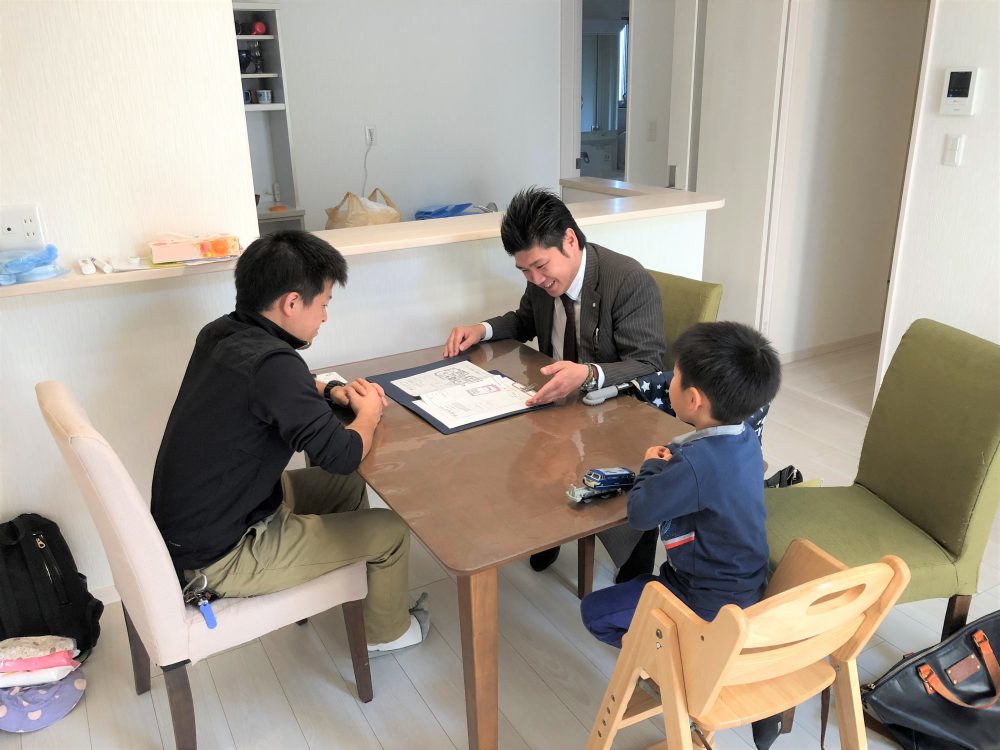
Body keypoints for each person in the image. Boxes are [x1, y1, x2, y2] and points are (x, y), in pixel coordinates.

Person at [151, 230, 428, 655]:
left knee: (349, 485)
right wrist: (369, 412)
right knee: (390, 530)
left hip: (204, 523)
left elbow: (275, 387)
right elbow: (341, 454)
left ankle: (349, 585)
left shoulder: (222, 332)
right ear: (292, 303)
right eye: (324, 304)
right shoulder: (275, 365)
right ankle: (387, 633)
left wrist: (330, 390)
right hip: (221, 557)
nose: (325, 317)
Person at [443, 186, 665, 573]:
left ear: (570, 240)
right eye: (524, 271)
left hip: (613, 413)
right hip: (558, 406)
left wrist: (588, 374)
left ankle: (630, 553)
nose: (535, 279)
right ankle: (551, 522)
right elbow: (524, 321)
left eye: (541, 266)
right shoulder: (541, 281)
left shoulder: (626, 280)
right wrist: (482, 329)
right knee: (506, 456)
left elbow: (649, 363)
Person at [580, 321, 781, 648]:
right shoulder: (745, 437)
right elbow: (707, 466)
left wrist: (651, 465)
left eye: (674, 376)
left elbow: (640, 514)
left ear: (693, 399)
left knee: (594, 613)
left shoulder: (695, 464)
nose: (668, 382)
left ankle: (669, 658)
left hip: (703, 602)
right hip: (743, 585)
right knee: (639, 585)